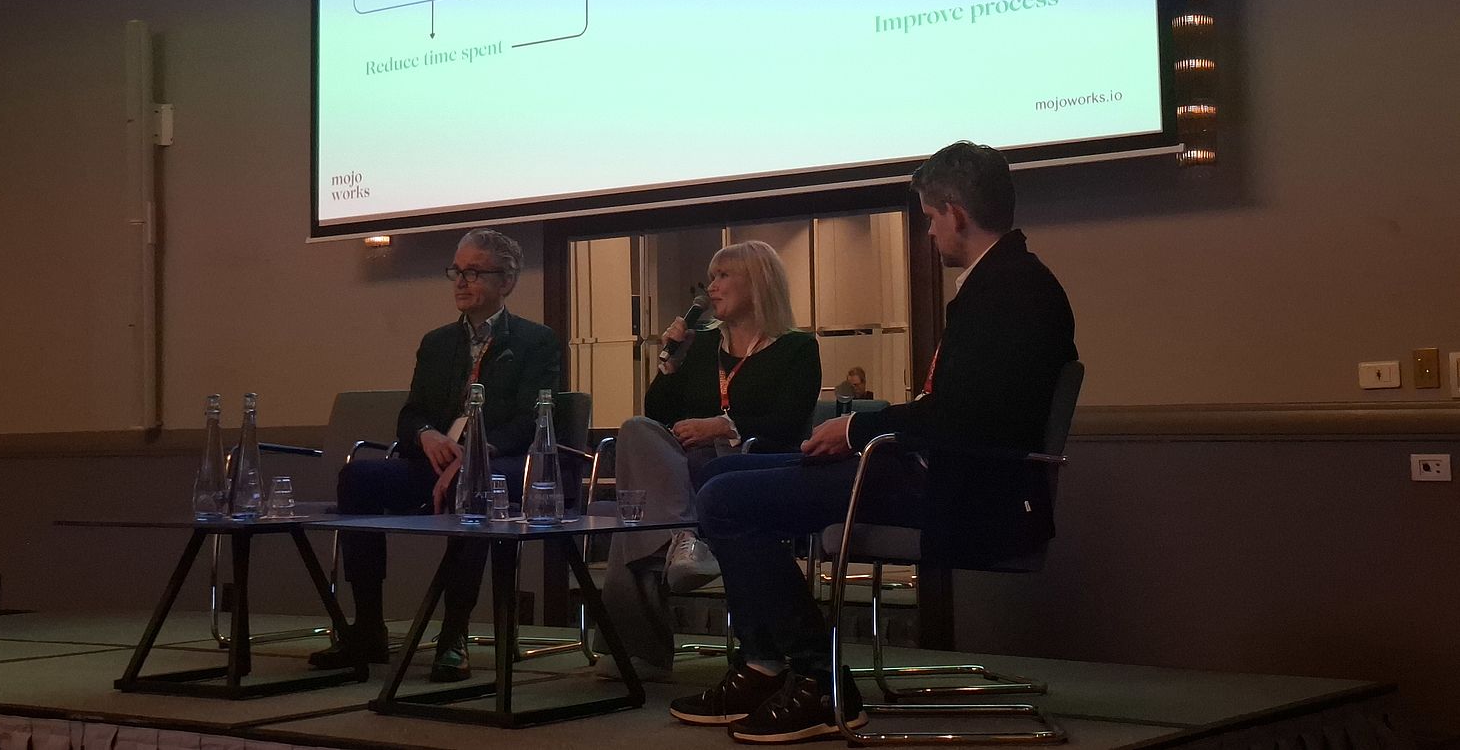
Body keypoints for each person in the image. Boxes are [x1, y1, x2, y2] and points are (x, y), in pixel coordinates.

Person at [669, 141, 1077, 743]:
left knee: (727, 501)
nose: (930, 231)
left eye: (931, 217)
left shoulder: (1011, 292)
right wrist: (860, 431)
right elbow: (964, 411)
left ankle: (819, 679)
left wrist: (857, 429)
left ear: (956, 213)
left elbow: (966, 421)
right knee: (715, 476)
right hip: (942, 469)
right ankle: (762, 665)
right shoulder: (1003, 281)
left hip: (967, 488)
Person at [308, 228, 562, 682]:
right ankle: (367, 628)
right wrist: (426, 435)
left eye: (474, 272)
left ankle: (454, 634)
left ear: (506, 281)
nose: (461, 282)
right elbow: (411, 414)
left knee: (475, 485)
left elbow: (532, 419)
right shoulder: (437, 342)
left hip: (500, 466)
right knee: (358, 478)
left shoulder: (535, 341)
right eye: (457, 271)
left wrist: (475, 455)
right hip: (435, 463)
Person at [597, 240, 821, 681]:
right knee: (636, 429)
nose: (711, 288)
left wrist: (721, 426)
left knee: (638, 523)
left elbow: (788, 422)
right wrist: (670, 363)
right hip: (687, 465)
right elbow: (659, 413)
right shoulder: (701, 347)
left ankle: (640, 649)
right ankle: (683, 538)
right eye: (711, 278)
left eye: (722, 277)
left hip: (749, 464)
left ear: (757, 283)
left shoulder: (796, 348)